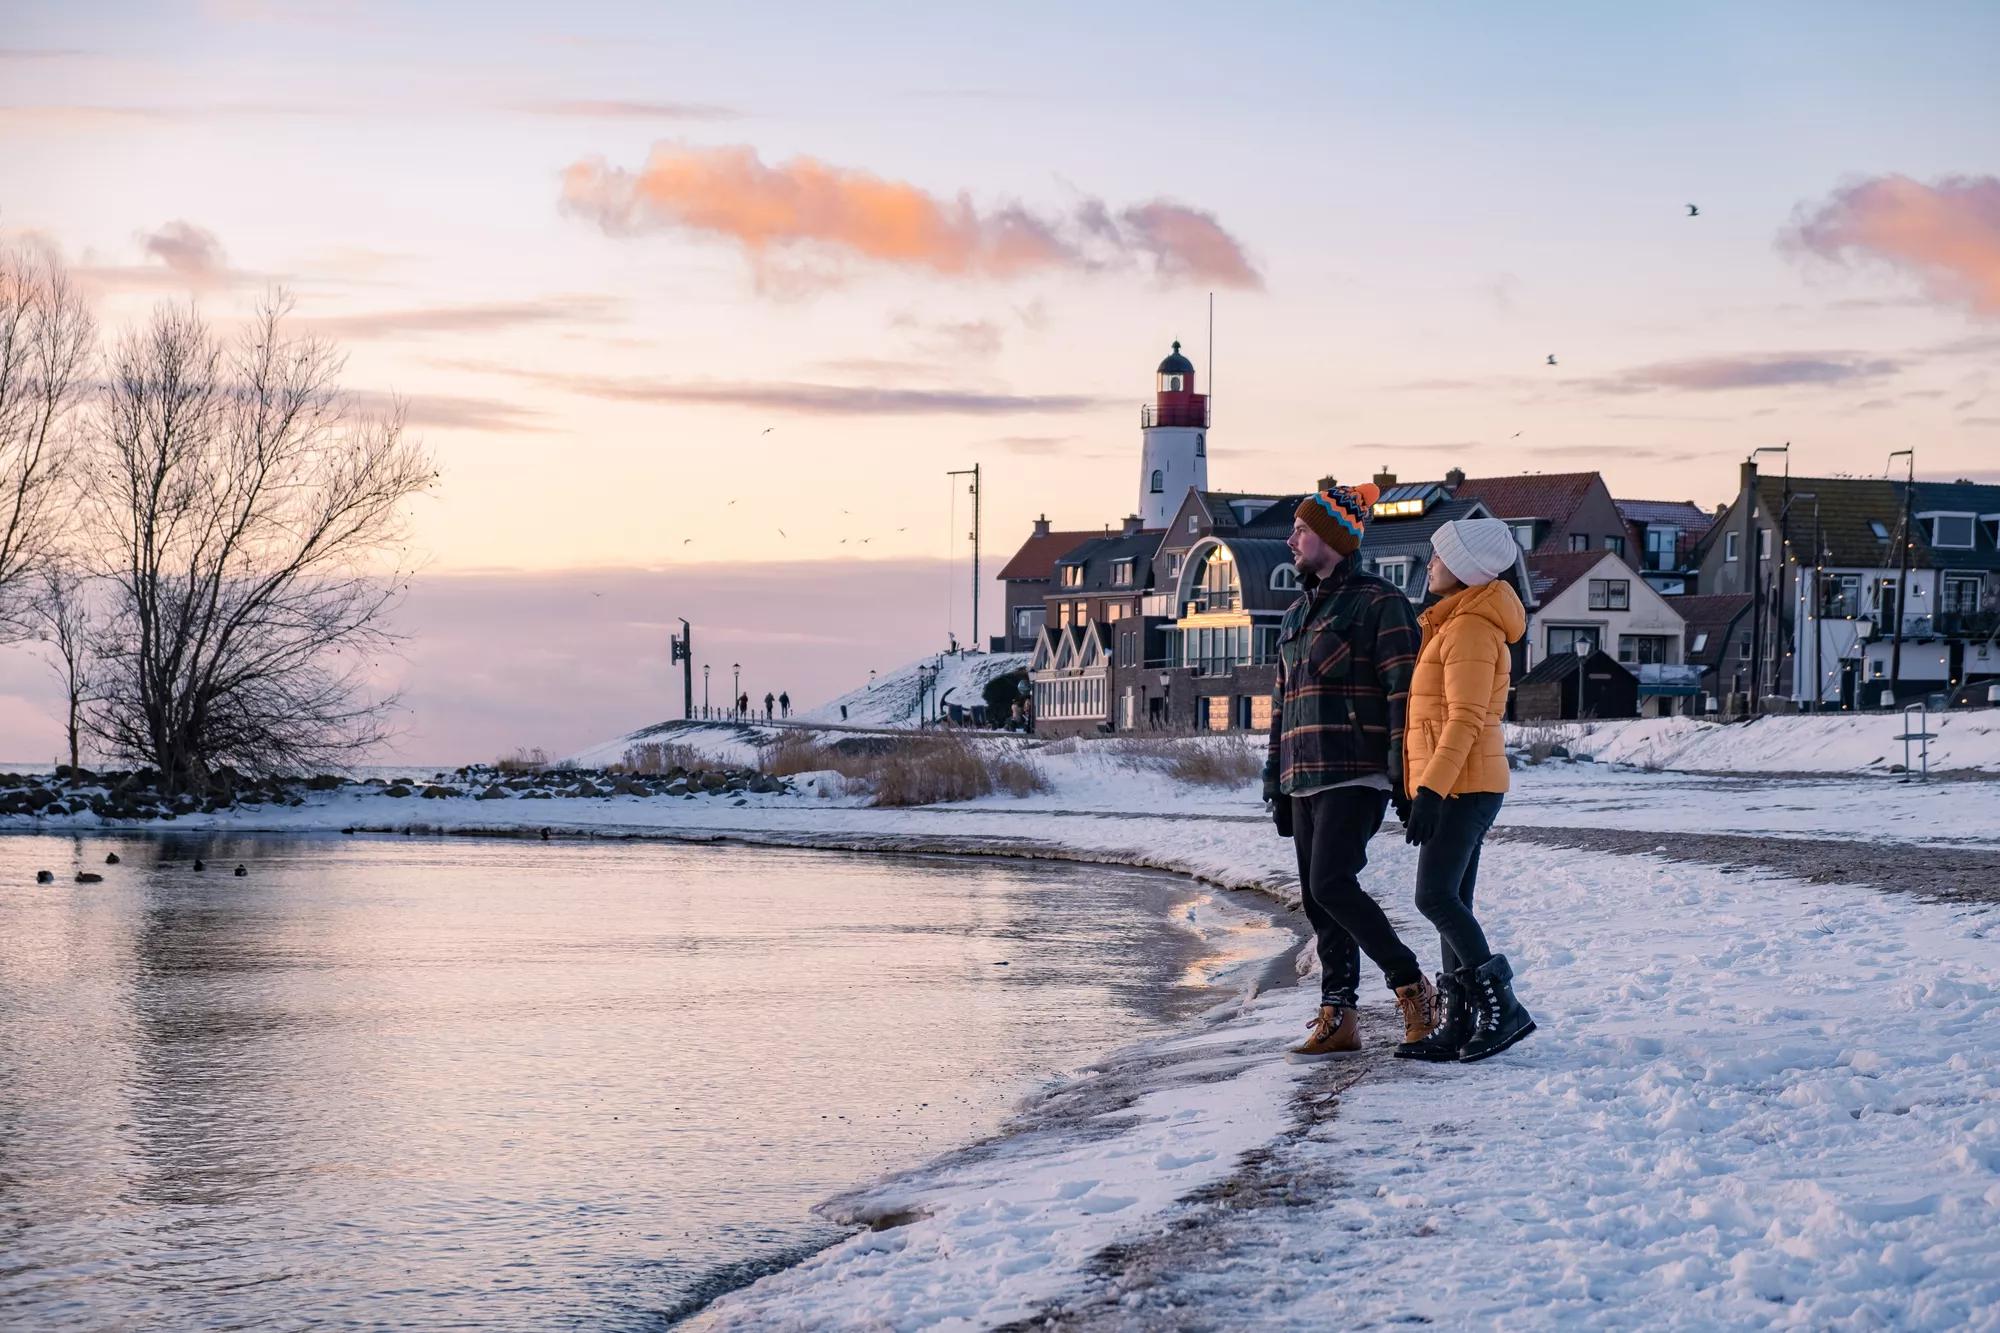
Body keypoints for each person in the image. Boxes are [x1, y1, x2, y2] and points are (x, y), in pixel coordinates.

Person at [1265, 483, 1435, 1060]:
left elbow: (1404, 696)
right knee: (1319, 901)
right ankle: (1338, 1015)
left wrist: (1405, 777)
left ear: (1333, 540)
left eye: (1302, 531)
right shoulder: (1295, 614)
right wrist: (1275, 781)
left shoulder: (1378, 603)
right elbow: (1283, 707)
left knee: (1331, 883)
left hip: (1357, 771)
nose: (1291, 540)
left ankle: (1412, 987)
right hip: (1302, 776)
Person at [1394, 517, 1536, 1063]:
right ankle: (1459, 1023)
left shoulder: (1472, 628)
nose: (1429, 565)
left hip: (1465, 786)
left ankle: (1504, 1008)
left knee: (1434, 897)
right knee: (1453, 900)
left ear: (1463, 568)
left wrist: (1431, 791)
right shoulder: (1453, 624)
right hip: (1458, 783)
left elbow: (1465, 719)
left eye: (1437, 557)